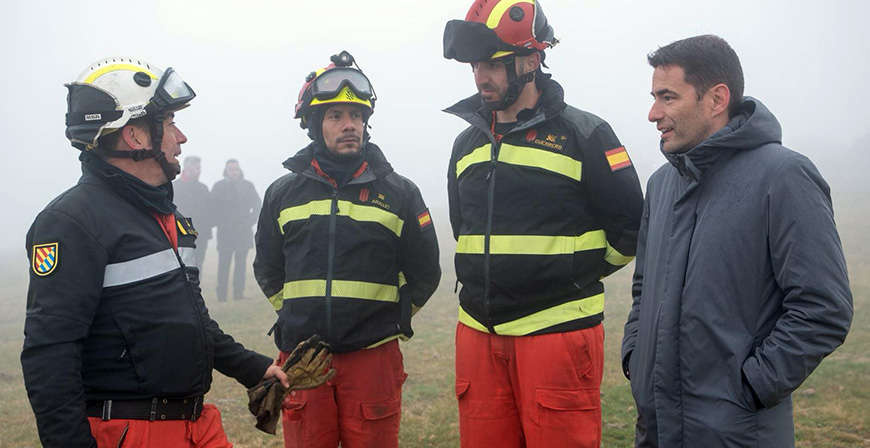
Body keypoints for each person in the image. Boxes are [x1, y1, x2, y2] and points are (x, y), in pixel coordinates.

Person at [22, 57, 290, 448]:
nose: (181, 138)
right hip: (131, 432)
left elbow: (190, 320)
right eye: (168, 124)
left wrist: (252, 367)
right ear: (135, 135)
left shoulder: (167, 215)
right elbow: (50, 352)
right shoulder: (71, 222)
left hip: (197, 425)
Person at [621, 35, 853, 447]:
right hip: (655, 430)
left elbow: (823, 307)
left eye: (667, 97)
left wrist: (751, 387)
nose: (653, 113)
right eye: (654, 97)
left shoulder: (784, 177)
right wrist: (635, 358)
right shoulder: (660, 186)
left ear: (716, 99)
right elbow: (643, 290)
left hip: (737, 433)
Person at [442, 1, 644, 446]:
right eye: (476, 66)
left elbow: (631, 227)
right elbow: (463, 227)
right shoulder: (465, 144)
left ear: (532, 60)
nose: (481, 78)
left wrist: (575, 274)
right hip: (477, 332)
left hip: (556, 333)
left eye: (494, 64)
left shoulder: (586, 134)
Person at [253, 50, 441, 448]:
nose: (349, 125)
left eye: (356, 115)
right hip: (304, 359)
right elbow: (268, 266)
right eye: (336, 116)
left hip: (373, 357)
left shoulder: (401, 193)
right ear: (313, 124)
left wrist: (393, 321)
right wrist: (293, 313)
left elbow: (425, 271)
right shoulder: (281, 194)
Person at [211, 159, 261, 301]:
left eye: (236, 169)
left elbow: (257, 205)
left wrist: (250, 221)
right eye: (231, 170)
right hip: (225, 233)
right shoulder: (219, 187)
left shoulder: (248, 186)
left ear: (239, 170)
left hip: (243, 232)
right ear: (226, 171)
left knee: (241, 264)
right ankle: (221, 296)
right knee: (224, 265)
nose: (234, 172)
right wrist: (221, 223)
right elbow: (212, 208)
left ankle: (238, 294)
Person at [174, 155, 213, 269]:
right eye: (197, 168)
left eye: (199, 168)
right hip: (180, 234)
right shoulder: (175, 187)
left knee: (198, 265)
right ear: (187, 168)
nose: (199, 171)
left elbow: (210, 210)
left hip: (201, 234)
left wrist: (207, 226)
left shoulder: (203, 188)